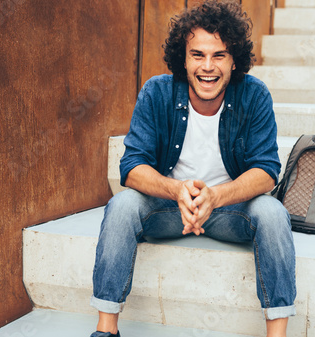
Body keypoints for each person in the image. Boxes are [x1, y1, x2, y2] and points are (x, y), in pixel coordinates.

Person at [89, 1, 296, 336]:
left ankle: (277, 333)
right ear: (182, 59)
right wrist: (177, 190)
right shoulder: (157, 92)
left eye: (219, 55)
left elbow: (267, 170)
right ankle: (106, 329)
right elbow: (131, 167)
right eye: (197, 55)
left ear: (234, 61)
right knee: (122, 205)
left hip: (229, 209)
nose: (208, 67)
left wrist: (215, 196)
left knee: (273, 214)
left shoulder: (254, 95)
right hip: (171, 207)